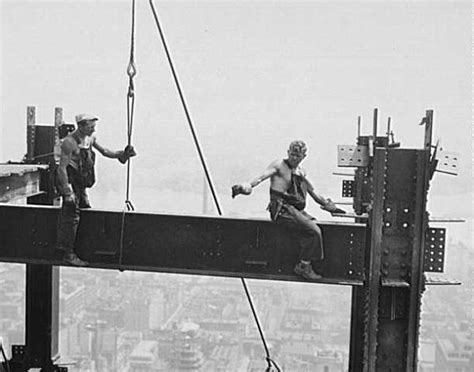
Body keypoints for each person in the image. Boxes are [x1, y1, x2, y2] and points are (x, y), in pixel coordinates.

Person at [231, 140, 344, 280]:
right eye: (292, 154)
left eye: (298, 155)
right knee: (314, 231)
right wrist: (245, 186)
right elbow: (261, 178)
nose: (294, 158)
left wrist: (329, 206)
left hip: (295, 210)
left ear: (304, 156)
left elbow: (314, 193)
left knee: (315, 225)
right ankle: (303, 266)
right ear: (288, 152)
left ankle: (304, 257)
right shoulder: (279, 165)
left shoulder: (301, 173)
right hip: (282, 209)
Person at [56, 113, 136, 266]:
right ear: (81, 126)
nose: (93, 129)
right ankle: (68, 253)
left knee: (85, 210)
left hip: (80, 182)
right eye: (90, 126)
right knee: (71, 215)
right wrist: (67, 192)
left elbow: (105, 151)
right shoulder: (69, 142)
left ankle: (82, 249)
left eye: (94, 126)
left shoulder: (90, 139)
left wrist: (122, 154)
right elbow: (61, 169)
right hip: (71, 181)